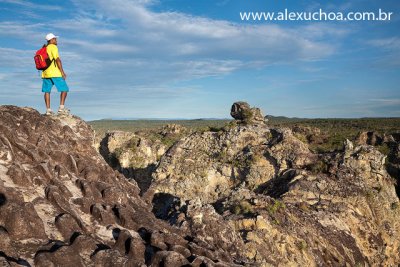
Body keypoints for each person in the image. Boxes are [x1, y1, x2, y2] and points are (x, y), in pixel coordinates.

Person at [41, 33, 70, 115]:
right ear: (52, 40)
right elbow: (57, 60)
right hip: (55, 73)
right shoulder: (53, 47)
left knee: (47, 91)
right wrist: (62, 72)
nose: (56, 40)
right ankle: (61, 108)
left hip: (45, 73)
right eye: (55, 39)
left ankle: (48, 110)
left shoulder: (44, 48)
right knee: (64, 89)